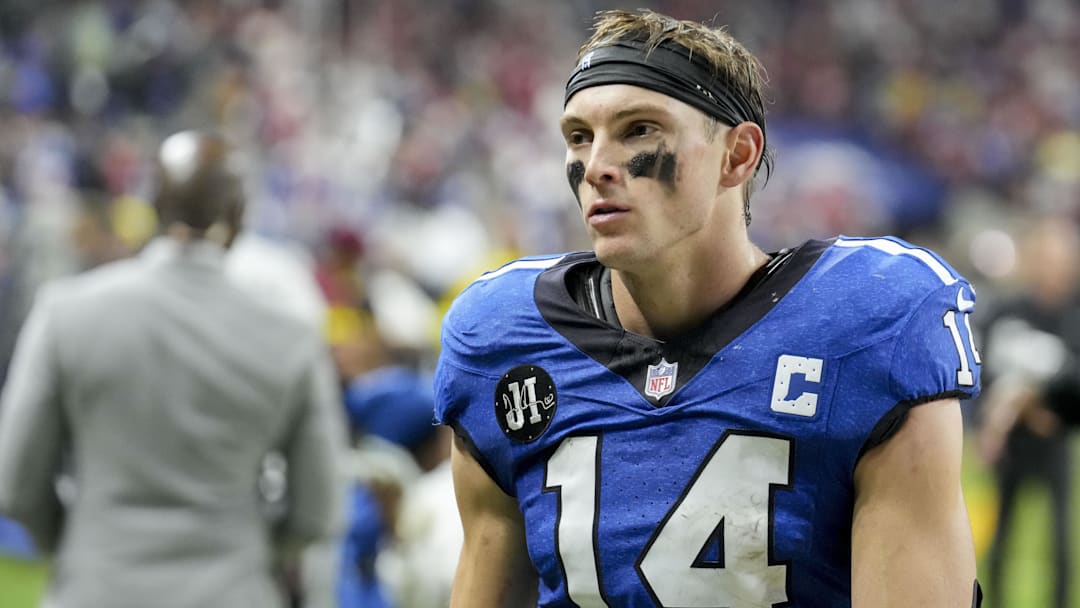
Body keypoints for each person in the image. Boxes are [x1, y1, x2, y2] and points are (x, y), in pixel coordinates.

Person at [434, 9, 983, 607]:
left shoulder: (871, 319)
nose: (596, 166)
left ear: (737, 156)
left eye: (640, 129)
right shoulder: (502, 339)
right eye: (578, 137)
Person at [0, 129, 346, 608]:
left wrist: (79, 545)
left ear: (153, 206)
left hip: (96, 586)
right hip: (234, 589)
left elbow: (16, 483)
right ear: (240, 215)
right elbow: (319, 511)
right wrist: (250, 553)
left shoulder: (65, 313)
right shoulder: (291, 337)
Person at [977, 216, 1080, 608]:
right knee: (1003, 531)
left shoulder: (1073, 315)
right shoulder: (1008, 311)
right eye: (1044, 256)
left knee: (1061, 537)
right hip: (1013, 441)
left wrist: (1047, 409)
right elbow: (984, 372)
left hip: (1054, 440)